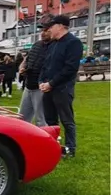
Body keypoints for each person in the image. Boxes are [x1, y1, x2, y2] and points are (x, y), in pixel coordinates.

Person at [38, 15, 83, 157]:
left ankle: (70, 148)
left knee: (66, 120)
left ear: (61, 26)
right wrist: (42, 82)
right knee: (50, 120)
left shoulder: (73, 43)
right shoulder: (53, 44)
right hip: (48, 89)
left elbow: (70, 68)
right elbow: (45, 66)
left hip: (62, 89)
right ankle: (53, 146)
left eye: (51, 26)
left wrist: (52, 83)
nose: (49, 29)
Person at [18, 27, 51, 126]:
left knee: (41, 120)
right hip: (28, 85)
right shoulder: (36, 44)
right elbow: (27, 60)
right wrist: (22, 68)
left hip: (41, 87)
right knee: (22, 118)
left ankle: (45, 139)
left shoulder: (54, 47)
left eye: (46, 31)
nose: (43, 33)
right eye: (42, 30)